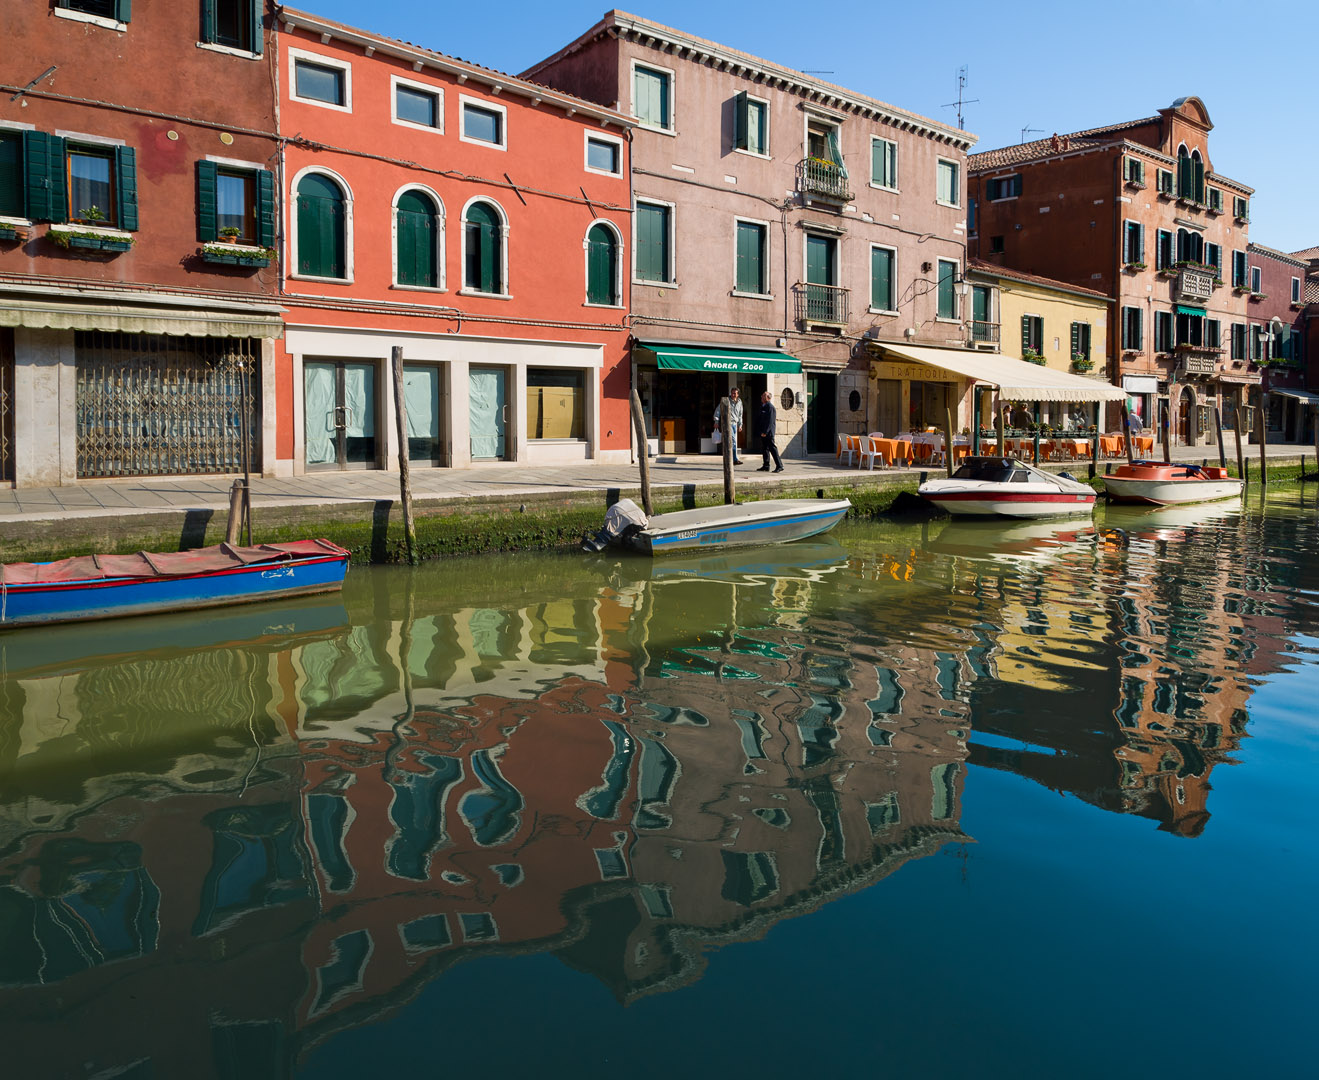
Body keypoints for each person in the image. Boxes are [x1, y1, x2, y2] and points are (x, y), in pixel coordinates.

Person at [713, 386, 744, 464]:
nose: (733, 394)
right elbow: (718, 410)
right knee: (733, 441)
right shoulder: (726, 401)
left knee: (731, 442)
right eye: (732, 393)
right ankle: (734, 459)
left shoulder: (740, 402)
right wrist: (716, 421)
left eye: (735, 393)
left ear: (738, 394)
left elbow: (740, 414)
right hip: (728, 424)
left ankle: (729, 458)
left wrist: (740, 425)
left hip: (735, 424)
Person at [755, 390, 784, 472]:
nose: (761, 396)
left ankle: (779, 465)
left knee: (772, 449)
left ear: (768, 398)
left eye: (763, 395)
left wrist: (765, 432)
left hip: (768, 433)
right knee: (765, 449)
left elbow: (770, 421)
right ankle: (766, 465)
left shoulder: (770, 407)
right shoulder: (763, 406)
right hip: (763, 432)